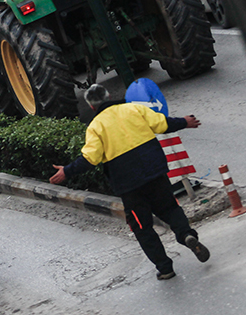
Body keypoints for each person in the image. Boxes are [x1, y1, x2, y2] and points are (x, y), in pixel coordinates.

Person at [49, 85, 209, 280]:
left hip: (128, 185)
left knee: (142, 227)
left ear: (91, 106)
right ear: (109, 95)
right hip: (155, 172)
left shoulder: (95, 127)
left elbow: (90, 159)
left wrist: (67, 171)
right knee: (170, 208)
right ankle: (186, 235)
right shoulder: (133, 108)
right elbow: (162, 124)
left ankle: (165, 268)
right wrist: (185, 121)